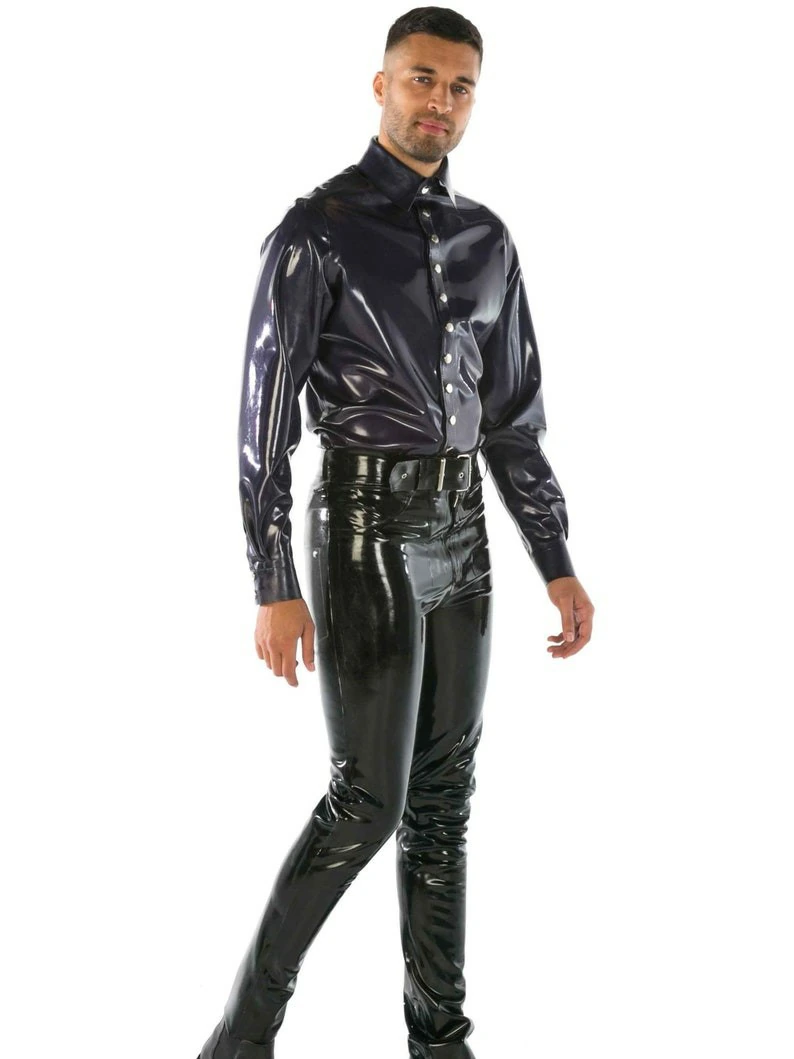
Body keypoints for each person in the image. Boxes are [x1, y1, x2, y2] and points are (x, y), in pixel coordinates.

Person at [197, 7, 595, 1059]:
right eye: (422, 79)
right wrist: (271, 577)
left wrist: (555, 559)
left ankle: (440, 1041)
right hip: (365, 526)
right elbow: (262, 419)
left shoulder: (487, 240)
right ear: (381, 84)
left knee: (444, 801)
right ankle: (241, 1036)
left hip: (464, 528)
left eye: (460, 87)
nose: (440, 103)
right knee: (367, 800)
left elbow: (512, 419)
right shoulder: (316, 229)